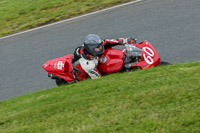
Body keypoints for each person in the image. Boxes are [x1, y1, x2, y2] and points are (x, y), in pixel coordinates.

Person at [71, 34, 136, 81]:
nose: (101, 48)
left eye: (101, 46)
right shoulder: (88, 65)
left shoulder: (91, 46)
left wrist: (126, 40)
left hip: (93, 59)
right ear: (91, 49)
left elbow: (108, 42)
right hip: (84, 74)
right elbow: (98, 80)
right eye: (98, 48)